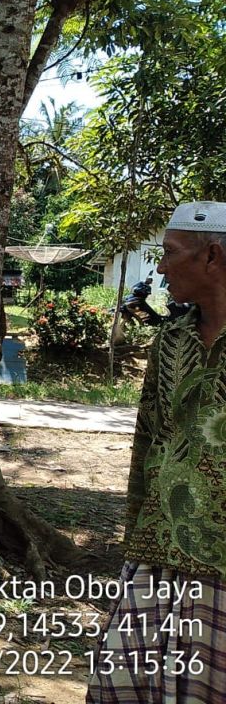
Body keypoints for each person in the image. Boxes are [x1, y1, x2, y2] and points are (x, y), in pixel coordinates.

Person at [86, 201, 226, 704]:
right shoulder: (171, 339)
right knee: (124, 684)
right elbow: (148, 437)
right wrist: (135, 528)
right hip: (159, 547)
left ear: (212, 256)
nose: (161, 268)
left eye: (169, 253)